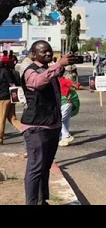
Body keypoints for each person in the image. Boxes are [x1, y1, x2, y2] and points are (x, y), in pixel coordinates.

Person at [21, 41, 74, 205]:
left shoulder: (48, 70)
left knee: (45, 166)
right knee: (36, 167)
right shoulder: (30, 71)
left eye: (49, 51)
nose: (48, 54)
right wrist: (58, 65)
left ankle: (41, 200)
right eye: (43, 52)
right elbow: (37, 83)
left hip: (52, 125)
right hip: (37, 127)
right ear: (33, 54)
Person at [0, 59, 22, 145]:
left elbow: (11, 83)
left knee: (1, 118)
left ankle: (0, 138)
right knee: (12, 118)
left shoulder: (4, 72)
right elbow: (13, 84)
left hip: (3, 98)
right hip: (11, 97)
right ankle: (26, 130)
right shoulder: (10, 71)